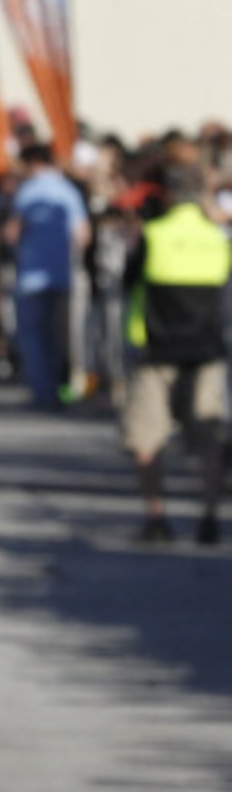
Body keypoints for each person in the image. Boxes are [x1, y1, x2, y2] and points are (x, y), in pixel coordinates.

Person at [122, 159, 232, 545]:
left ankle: (157, 517)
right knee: (208, 440)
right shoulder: (218, 237)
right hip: (206, 355)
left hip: (156, 353)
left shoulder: (153, 235)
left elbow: (127, 283)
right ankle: (209, 517)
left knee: (147, 441)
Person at [5, 140, 90, 410]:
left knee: (33, 335)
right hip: (62, 275)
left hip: (31, 276)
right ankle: (59, 388)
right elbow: (82, 235)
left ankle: (42, 391)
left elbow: (12, 233)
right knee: (60, 336)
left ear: (33, 164)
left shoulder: (27, 191)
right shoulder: (68, 191)